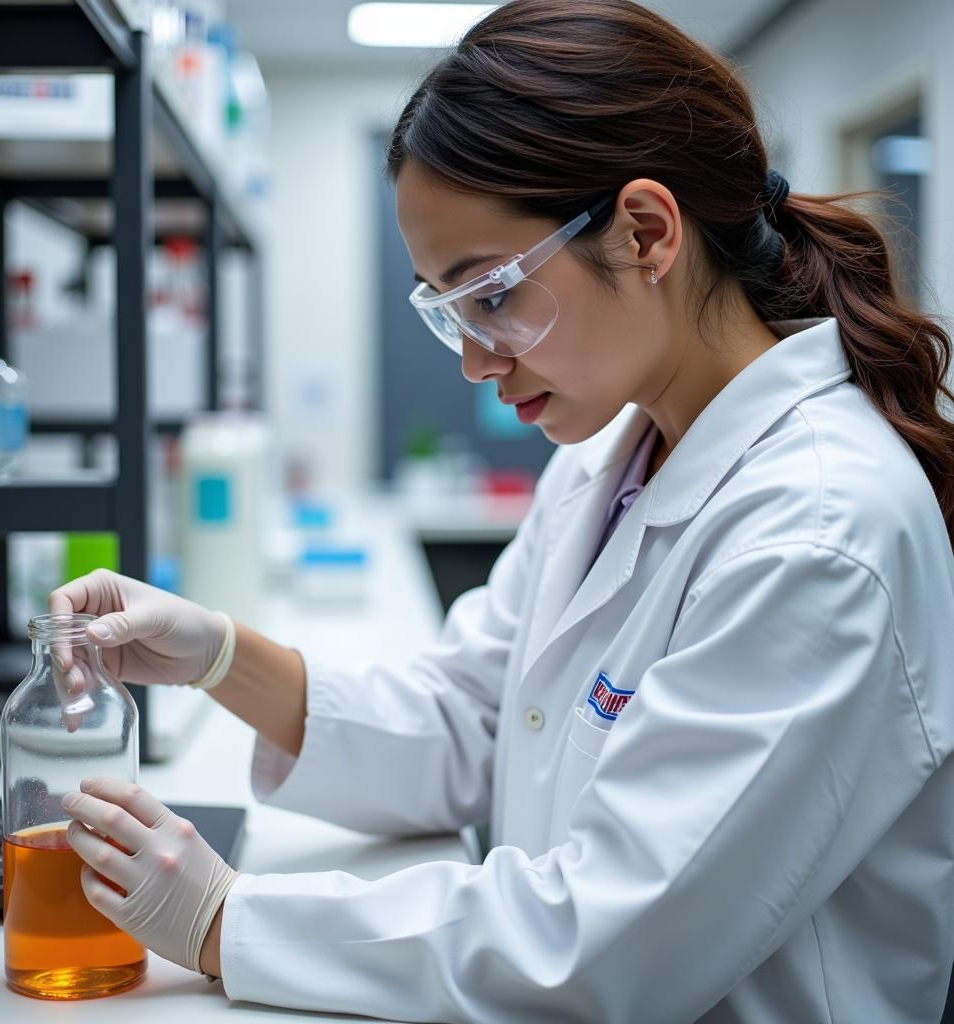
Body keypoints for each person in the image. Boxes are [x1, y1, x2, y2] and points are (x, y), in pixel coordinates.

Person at [52, 1, 954, 1020]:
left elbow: (607, 940)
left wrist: (228, 922)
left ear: (646, 232)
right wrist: (219, 656)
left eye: (491, 295)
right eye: (446, 313)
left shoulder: (820, 530)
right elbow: (477, 723)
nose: (478, 361)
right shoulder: (611, 456)